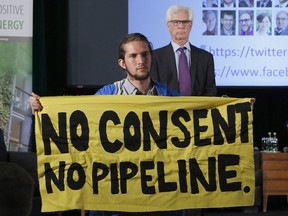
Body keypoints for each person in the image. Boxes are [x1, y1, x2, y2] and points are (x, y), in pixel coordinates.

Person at [30, 32, 182, 216]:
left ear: (151, 57)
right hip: (118, 199)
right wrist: (44, 109)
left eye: (145, 54)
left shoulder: (171, 97)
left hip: (160, 197)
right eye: (133, 56)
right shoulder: (106, 96)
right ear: (122, 63)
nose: (140, 60)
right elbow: (78, 128)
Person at [151, 4, 217, 97]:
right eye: (176, 22)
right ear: (168, 26)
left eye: (185, 22)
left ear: (190, 25)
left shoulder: (206, 58)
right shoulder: (155, 57)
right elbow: (154, 92)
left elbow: (211, 93)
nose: (181, 26)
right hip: (167, 110)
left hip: (198, 110)